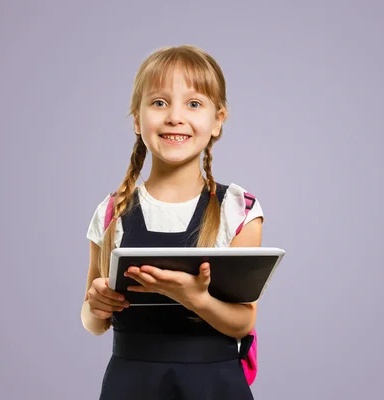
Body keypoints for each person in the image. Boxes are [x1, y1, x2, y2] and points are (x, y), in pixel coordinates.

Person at [80, 45, 265, 400]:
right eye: (159, 102)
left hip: (213, 386)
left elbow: (244, 321)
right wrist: (96, 305)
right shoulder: (111, 211)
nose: (175, 117)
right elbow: (93, 322)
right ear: (137, 118)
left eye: (193, 104)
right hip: (131, 384)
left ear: (218, 120)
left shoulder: (238, 210)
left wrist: (197, 300)